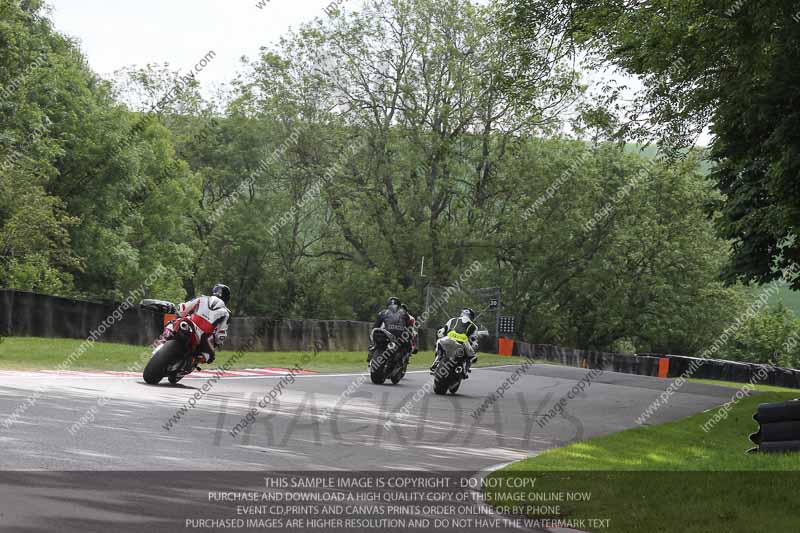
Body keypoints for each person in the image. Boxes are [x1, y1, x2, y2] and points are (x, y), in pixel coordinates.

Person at [173, 284, 231, 365]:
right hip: (204, 337)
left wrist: (178, 314)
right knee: (210, 356)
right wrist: (218, 341)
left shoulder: (202, 298)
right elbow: (220, 334)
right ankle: (193, 362)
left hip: (189, 323)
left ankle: (164, 338)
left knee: (174, 322)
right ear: (227, 298)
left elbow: (183, 308)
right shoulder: (226, 313)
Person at [432, 308, 479, 377]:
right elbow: (473, 340)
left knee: (439, 344)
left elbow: (441, 332)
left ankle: (436, 361)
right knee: (471, 356)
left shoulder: (452, 320)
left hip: (448, 340)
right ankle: (465, 370)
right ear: (471, 316)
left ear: (462, 313)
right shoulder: (474, 326)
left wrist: (441, 336)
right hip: (463, 344)